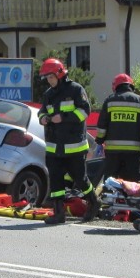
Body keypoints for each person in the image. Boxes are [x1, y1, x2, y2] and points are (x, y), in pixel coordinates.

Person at [38, 58, 100, 224]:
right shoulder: (48, 95)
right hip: (54, 147)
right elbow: (41, 112)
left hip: (74, 147)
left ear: (59, 74)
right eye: (47, 78)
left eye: (51, 77)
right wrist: (43, 118)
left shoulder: (75, 90)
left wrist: (64, 117)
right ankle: (58, 213)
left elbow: (85, 111)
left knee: (80, 179)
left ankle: (93, 202)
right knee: (56, 180)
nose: (49, 81)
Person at [95, 73, 140, 183]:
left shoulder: (110, 101)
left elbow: (102, 126)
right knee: (133, 185)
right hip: (133, 153)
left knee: (111, 184)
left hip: (112, 152)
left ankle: (110, 200)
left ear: (115, 86)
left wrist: (99, 142)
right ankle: (132, 201)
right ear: (131, 85)